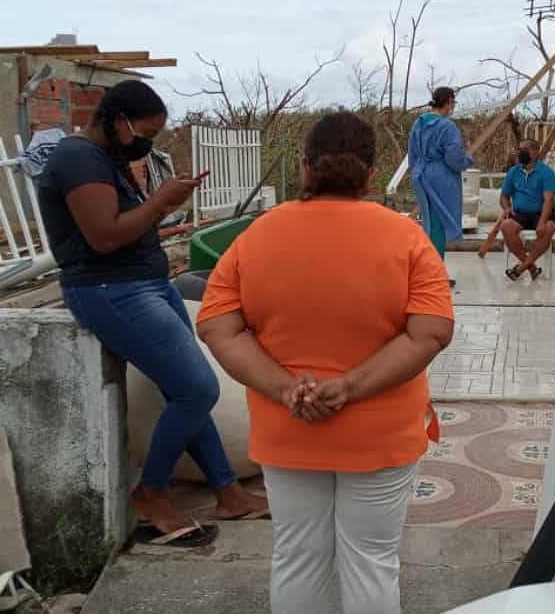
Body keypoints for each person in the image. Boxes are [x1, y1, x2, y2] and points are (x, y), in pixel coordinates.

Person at [196, 110, 454, 614]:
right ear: (372, 175)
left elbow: (217, 326)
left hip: (287, 428)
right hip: (381, 434)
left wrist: (283, 388)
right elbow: (431, 331)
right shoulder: (405, 239)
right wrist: (350, 388)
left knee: (297, 556)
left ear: (304, 166)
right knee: (371, 562)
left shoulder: (255, 237)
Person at [37, 80, 268, 548]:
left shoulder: (107, 159)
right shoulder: (77, 158)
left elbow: (128, 224)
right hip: (111, 290)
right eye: (145, 132)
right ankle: (152, 491)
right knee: (197, 389)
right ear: (118, 120)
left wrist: (163, 202)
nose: (148, 143)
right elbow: (104, 236)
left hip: (147, 284)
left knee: (185, 389)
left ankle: (227, 492)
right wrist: (161, 200)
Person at [408, 86, 473, 284]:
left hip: (420, 173)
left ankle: (432, 271)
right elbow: (453, 156)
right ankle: (433, 274)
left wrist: (417, 171)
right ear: (447, 102)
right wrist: (467, 161)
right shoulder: (447, 126)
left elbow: (412, 152)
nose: (453, 106)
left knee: (429, 222)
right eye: (453, 101)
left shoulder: (418, 124)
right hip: (440, 176)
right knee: (439, 224)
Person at [499, 138, 555, 281]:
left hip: (542, 212)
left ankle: (520, 268)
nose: (521, 153)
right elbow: (504, 196)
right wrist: (507, 208)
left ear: (535, 152)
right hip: (520, 213)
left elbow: (548, 200)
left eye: (525, 150)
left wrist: (541, 222)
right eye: (520, 150)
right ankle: (531, 267)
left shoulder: (546, 173)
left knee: (548, 228)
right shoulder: (513, 172)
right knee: (506, 226)